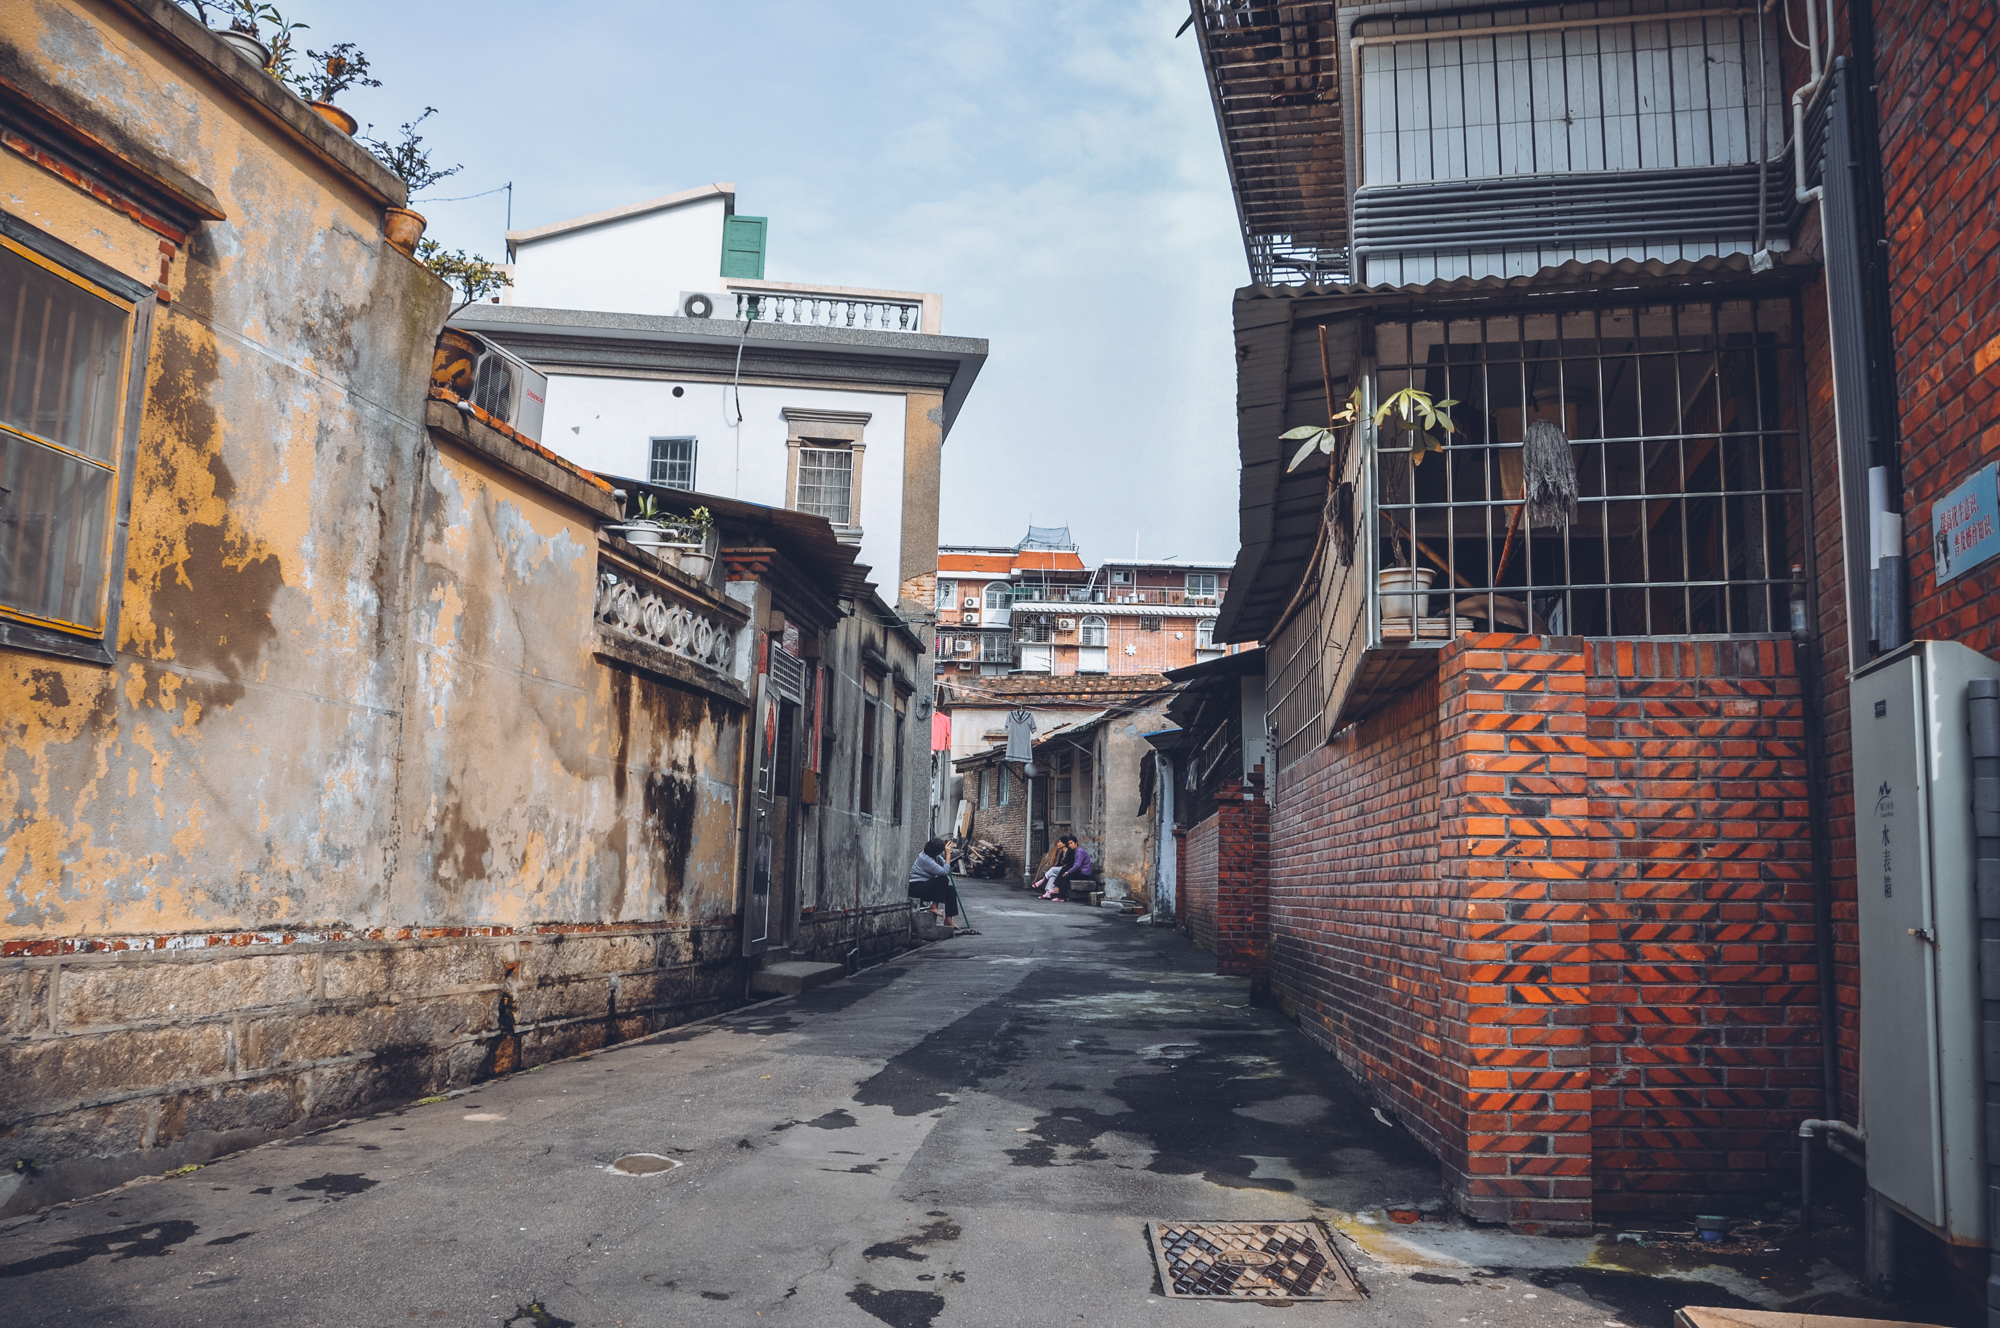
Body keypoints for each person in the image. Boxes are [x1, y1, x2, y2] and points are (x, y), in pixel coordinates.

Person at [908, 837, 967, 934]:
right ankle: (934, 906)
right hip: (916, 887)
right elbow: (944, 872)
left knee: (951, 890)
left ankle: (948, 919)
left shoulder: (933, 856)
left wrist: (947, 854)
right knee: (943, 880)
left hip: (925, 886)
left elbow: (945, 864)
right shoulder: (925, 859)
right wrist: (948, 854)